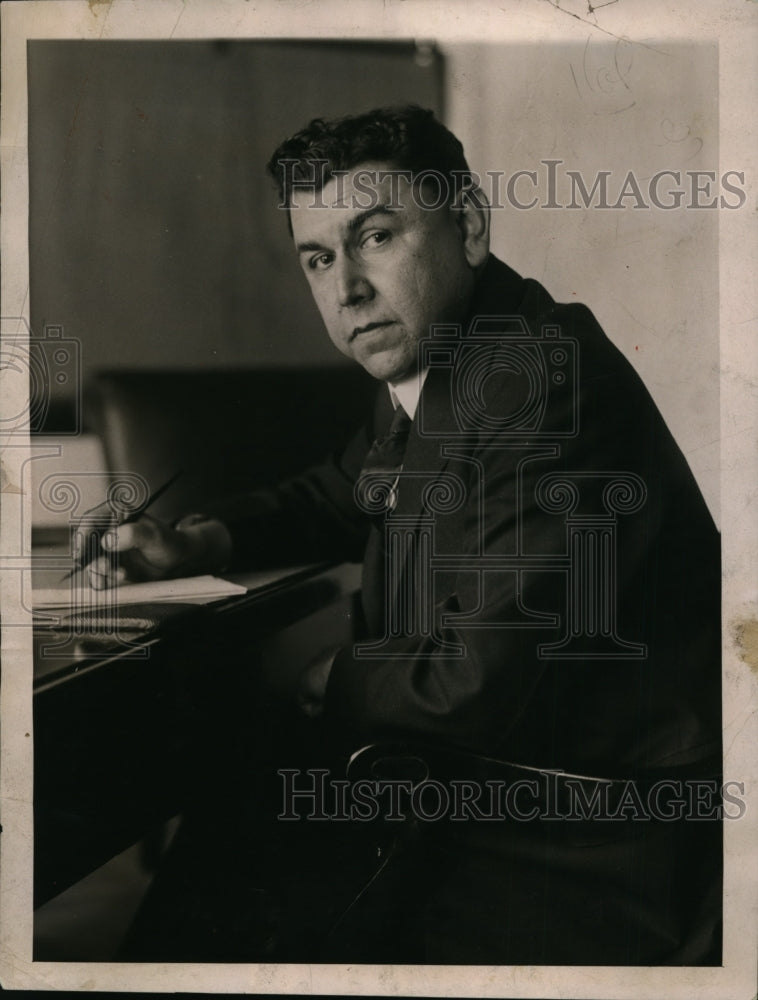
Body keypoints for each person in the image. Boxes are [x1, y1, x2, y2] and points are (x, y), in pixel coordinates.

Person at [93, 106, 722, 965]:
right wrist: (199, 542)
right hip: (498, 785)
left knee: (247, 821)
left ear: (469, 227)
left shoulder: (540, 382)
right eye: (319, 258)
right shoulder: (452, 353)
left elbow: (471, 682)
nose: (346, 288)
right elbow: (342, 492)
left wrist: (329, 675)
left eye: (376, 236)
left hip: (589, 836)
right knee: (241, 815)